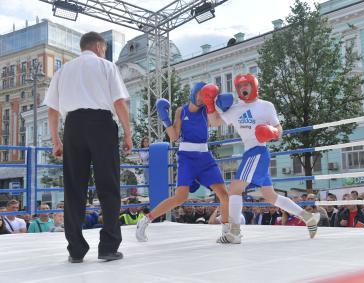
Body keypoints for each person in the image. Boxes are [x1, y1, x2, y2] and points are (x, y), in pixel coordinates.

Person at [44, 31, 132, 263]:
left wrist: (56, 141)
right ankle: (108, 247)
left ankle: (75, 249)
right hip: (102, 124)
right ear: (99, 47)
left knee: (74, 189)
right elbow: (119, 103)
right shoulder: (106, 66)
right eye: (104, 48)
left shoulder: (63, 71)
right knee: (108, 186)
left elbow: (52, 110)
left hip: (73, 126)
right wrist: (128, 134)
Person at [205, 73, 320, 243]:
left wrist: (271, 132)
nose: (243, 89)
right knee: (270, 195)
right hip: (250, 151)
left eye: (246, 85)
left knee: (235, 189)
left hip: (258, 151)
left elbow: (278, 130)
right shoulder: (235, 109)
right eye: (240, 86)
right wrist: (210, 103)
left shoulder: (266, 106)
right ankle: (308, 218)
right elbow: (213, 122)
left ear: (254, 86)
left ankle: (234, 233)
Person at [136, 82, 230, 242]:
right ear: (194, 92)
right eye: (201, 93)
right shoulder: (182, 110)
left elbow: (216, 122)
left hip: (205, 157)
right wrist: (164, 118)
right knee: (180, 197)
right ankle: (145, 220)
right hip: (187, 158)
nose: (203, 97)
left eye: (206, 94)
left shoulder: (206, 111)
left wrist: (226, 109)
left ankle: (227, 233)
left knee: (224, 195)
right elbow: (174, 136)